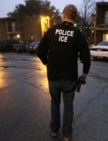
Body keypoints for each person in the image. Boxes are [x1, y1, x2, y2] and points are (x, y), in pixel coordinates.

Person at [37, 4, 91, 141]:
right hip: (69, 78)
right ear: (75, 17)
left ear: (63, 15)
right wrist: (84, 75)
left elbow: (39, 51)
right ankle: (67, 134)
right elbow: (86, 57)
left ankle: (54, 131)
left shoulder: (52, 31)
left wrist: (46, 62)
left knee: (55, 102)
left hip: (53, 76)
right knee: (68, 106)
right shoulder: (78, 34)